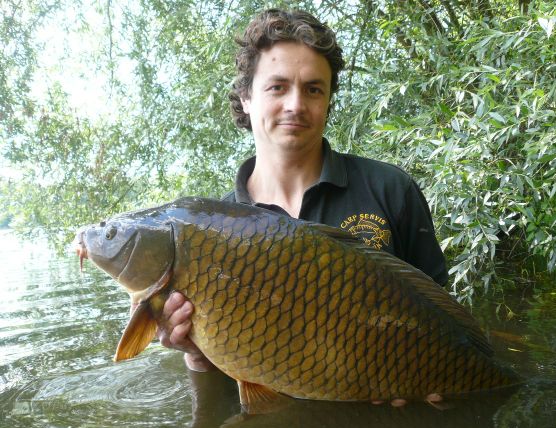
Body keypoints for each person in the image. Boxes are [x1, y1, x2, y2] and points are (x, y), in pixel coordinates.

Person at [157, 9, 448, 374]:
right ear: (246, 97)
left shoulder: (391, 190)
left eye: (313, 89)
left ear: (328, 101)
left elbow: (444, 318)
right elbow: (226, 396)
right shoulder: (214, 234)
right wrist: (197, 353)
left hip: (395, 400)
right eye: (277, 87)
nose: (296, 105)